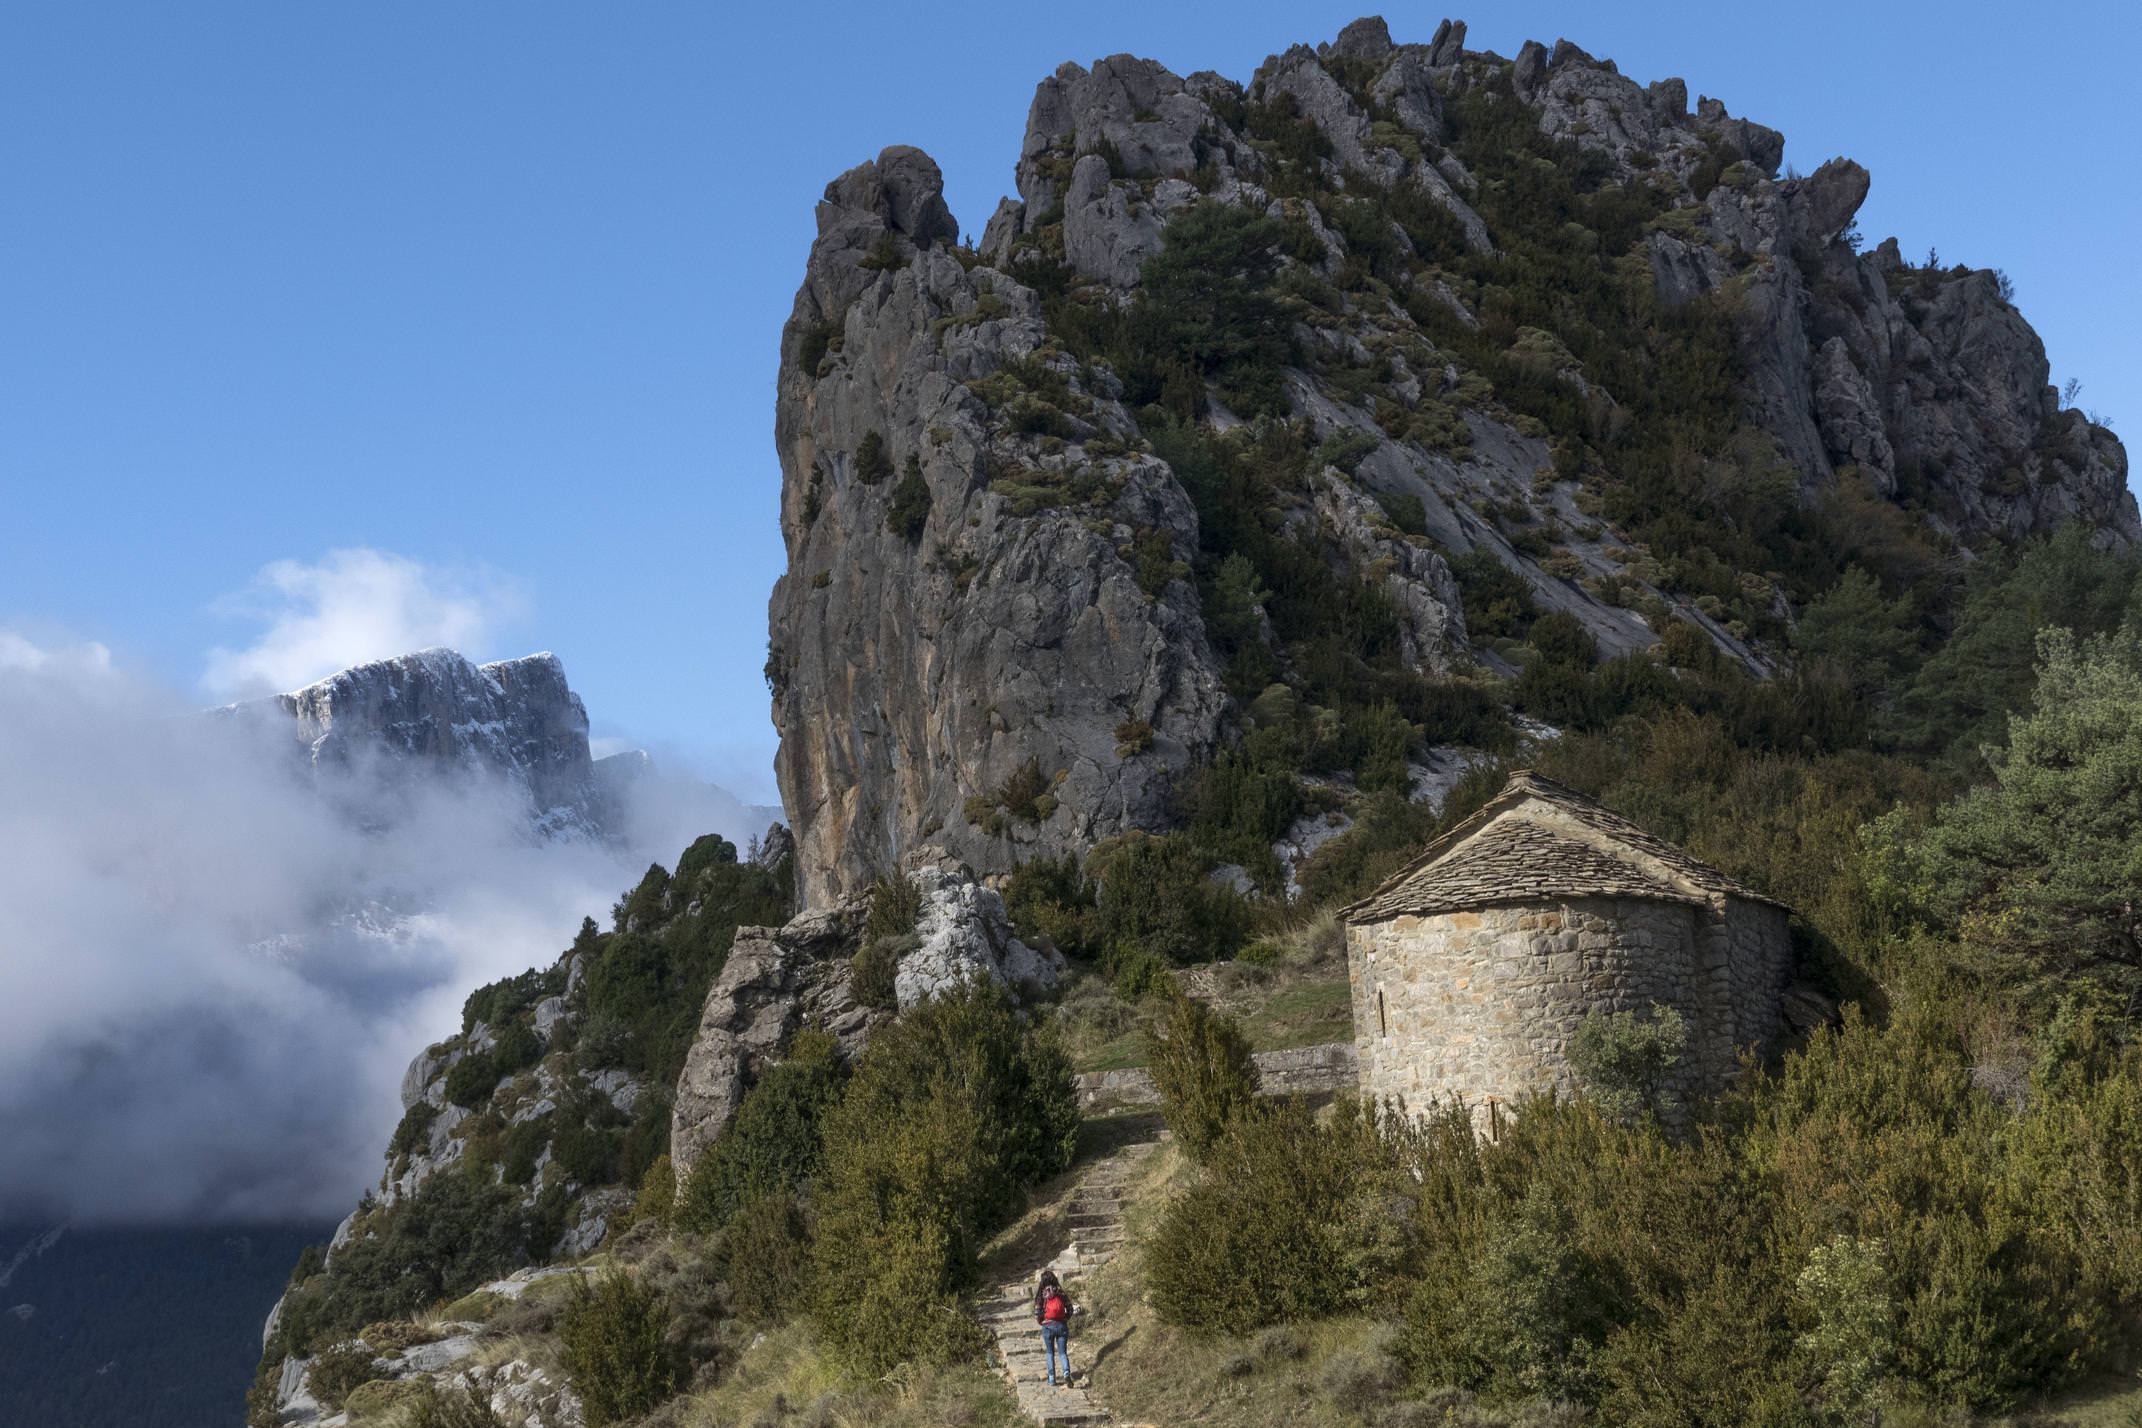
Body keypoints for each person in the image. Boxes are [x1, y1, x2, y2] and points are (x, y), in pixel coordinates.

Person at [1033, 1268, 1075, 1387]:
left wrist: (1041, 1322)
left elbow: (1037, 1312)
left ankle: (1052, 1378)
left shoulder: (1042, 1294)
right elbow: (1070, 1309)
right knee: (1062, 1352)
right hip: (1061, 1325)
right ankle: (1066, 1373)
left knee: (1050, 1352)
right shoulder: (1060, 1293)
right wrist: (1065, 1318)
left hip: (1048, 1326)